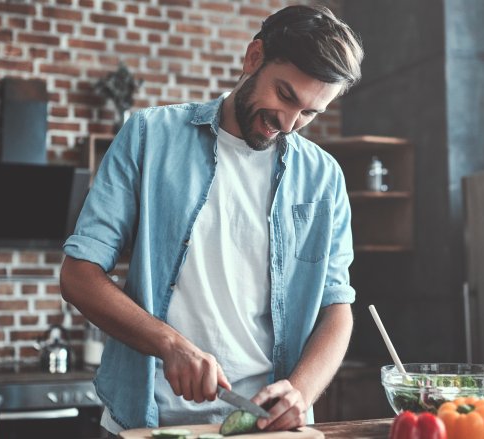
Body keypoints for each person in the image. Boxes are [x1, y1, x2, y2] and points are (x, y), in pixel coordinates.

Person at [60, 4, 364, 435]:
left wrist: (300, 391)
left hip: (264, 428)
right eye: (285, 95)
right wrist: (170, 345)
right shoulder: (149, 135)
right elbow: (78, 275)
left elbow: (337, 307)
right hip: (150, 421)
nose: (289, 124)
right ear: (253, 57)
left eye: (310, 113)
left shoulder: (323, 177)